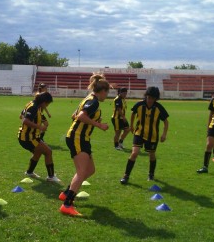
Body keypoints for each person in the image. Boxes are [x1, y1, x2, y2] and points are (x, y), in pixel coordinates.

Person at [59, 73, 110, 216]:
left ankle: (66, 193)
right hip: (77, 137)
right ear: (102, 91)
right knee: (82, 172)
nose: (107, 96)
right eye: (107, 92)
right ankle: (67, 204)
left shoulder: (88, 99)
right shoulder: (93, 101)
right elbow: (81, 116)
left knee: (90, 170)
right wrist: (99, 125)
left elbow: (74, 115)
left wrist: (91, 121)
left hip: (82, 138)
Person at [120, 87, 169, 184]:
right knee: (134, 153)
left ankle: (151, 174)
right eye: (148, 97)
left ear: (156, 98)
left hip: (153, 136)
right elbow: (133, 113)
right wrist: (132, 126)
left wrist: (164, 134)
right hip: (139, 133)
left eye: (152, 98)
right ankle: (126, 176)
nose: (150, 100)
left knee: (152, 155)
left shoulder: (159, 107)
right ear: (146, 96)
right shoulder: (139, 104)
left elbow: (166, 122)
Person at [18, 91, 61, 182]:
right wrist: (39, 127)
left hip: (28, 136)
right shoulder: (34, 107)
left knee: (38, 152)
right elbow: (25, 121)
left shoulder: (32, 104)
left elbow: (21, 115)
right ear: (44, 102)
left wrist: (42, 121)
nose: (47, 106)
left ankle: (29, 172)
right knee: (48, 152)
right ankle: (51, 177)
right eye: (47, 104)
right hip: (28, 138)